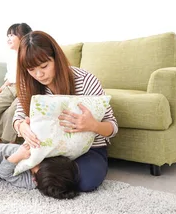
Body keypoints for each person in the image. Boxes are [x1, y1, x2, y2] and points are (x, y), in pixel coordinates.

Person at [12, 31, 119, 193]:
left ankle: (39, 170)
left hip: (88, 150)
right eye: (31, 69)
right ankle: (41, 169)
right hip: (49, 150)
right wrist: (21, 127)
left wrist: (93, 125)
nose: (39, 75)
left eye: (44, 66)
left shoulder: (85, 80)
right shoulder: (29, 85)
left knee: (86, 182)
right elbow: (18, 117)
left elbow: (113, 127)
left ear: (56, 58)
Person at [0, 23, 32, 143]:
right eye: (8, 35)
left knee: (12, 112)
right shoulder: (11, 56)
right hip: (11, 87)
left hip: (25, 89)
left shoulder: (30, 55)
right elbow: (11, 77)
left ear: (24, 37)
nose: (9, 38)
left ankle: (11, 144)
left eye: (12, 35)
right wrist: (1, 88)